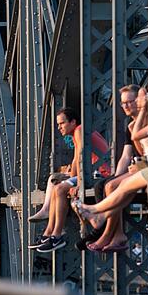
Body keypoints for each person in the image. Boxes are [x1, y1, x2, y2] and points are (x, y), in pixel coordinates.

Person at [74, 92, 148, 243]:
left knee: (120, 187)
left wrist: (142, 111)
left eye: (140, 97)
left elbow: (135, 136)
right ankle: (103, 220)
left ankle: (96, 211)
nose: (136, 102)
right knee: (118, 187)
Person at [31, 108, 111, 253]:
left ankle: (57, 235)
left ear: (73, 122)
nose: (59, 127)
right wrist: (71, 178)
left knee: (60, 189)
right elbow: (75, 160)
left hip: (99, 174)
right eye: (58, 124)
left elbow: (81, 158)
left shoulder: (80, 131)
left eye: (62, 123)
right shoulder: (78, 132)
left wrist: (78, 183)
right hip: (92, 172)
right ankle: (49, 232)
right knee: (56, 182)